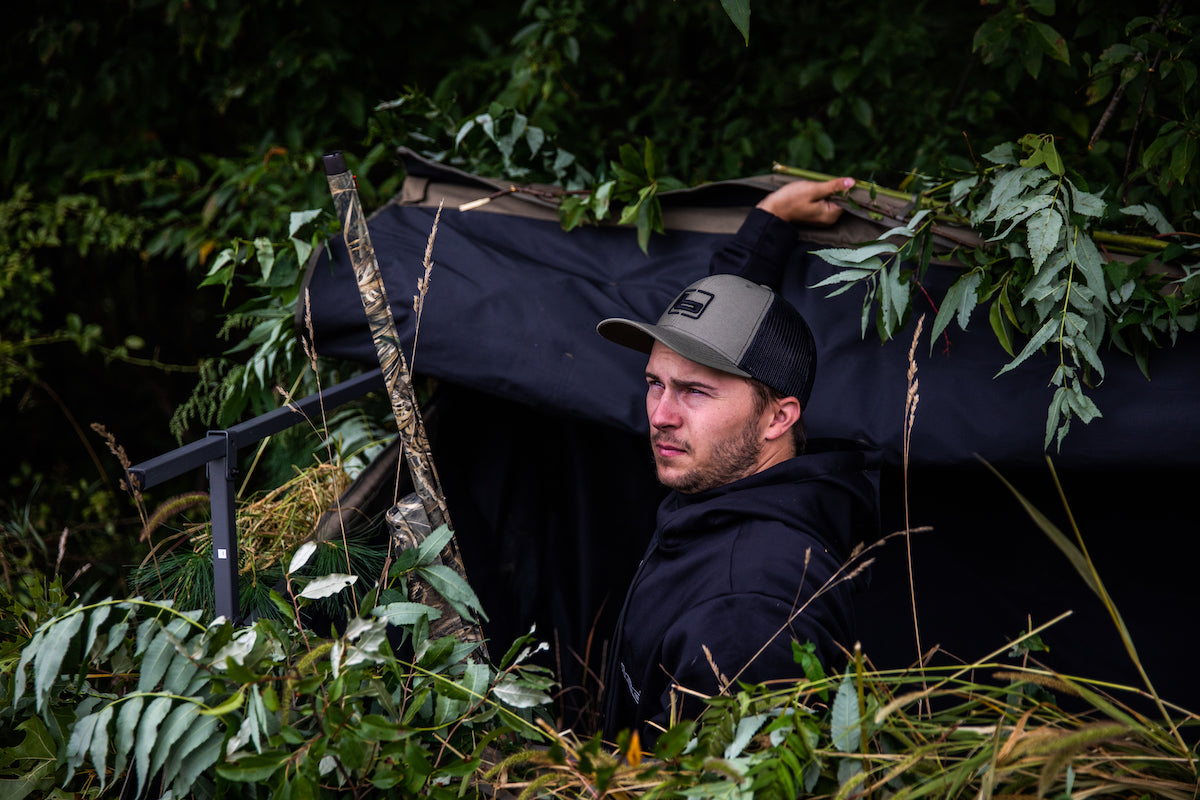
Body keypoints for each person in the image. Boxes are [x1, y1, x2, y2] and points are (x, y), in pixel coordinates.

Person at [595, 177, 881, 742]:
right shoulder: (731, 478)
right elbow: (733, 325)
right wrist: (769, 224)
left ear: (778, 417)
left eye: (695, 393)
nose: (660, 415)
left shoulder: (745, 609)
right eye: (655, 383)